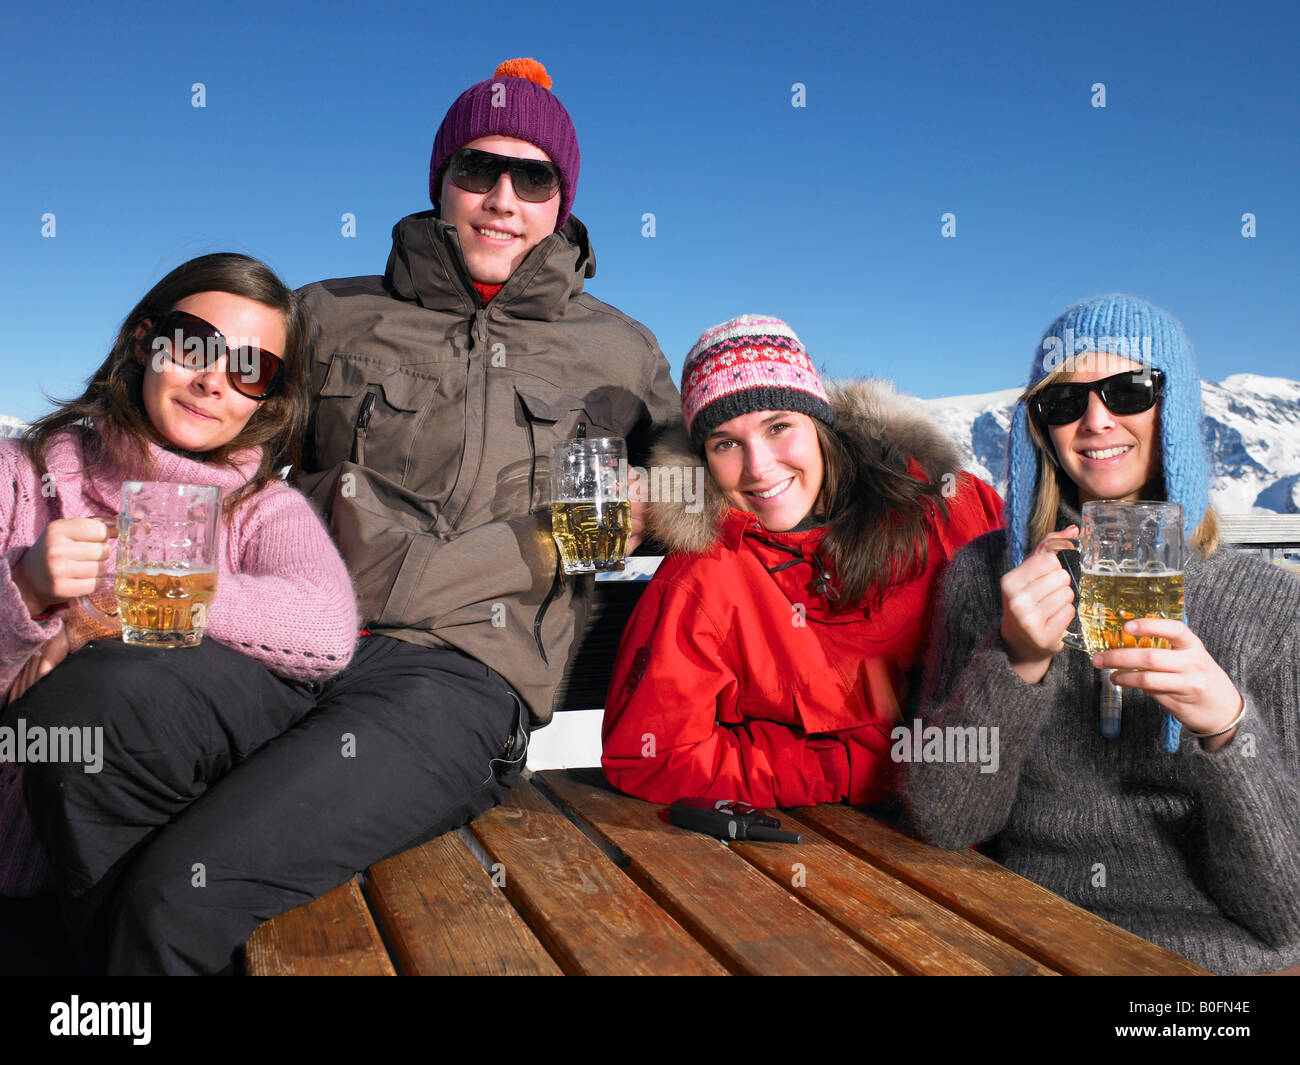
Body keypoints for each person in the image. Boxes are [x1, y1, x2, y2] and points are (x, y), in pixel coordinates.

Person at [18, 58, 677, 975]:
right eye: (476, 169)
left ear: (562, 201)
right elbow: (213, 443)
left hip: (458, 680)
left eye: (533, 178)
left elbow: (706, 485)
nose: (500, 198)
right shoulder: (328, 314)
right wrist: (97, 587)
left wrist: (660, 504)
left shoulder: (621, 346)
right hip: (291, 643)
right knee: (87, 716)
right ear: (440, 181)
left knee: (184, 888)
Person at [902, 294, 1300, 976]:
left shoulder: (1271, 606)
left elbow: (1285, 905)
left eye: (1127, 390)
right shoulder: (984, 574)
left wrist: (1230, 728)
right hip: (1024, 934)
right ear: (1040, 428)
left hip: (1213, 965)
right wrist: (1015, 662)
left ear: (1170, 407)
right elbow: (945, 821)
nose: (1094, 420)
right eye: (1065, 402)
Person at [1, 254, 357, 924]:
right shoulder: (22, 478)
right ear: (144, 341)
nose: (212, 380)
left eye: (250, 368)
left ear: (267, 398)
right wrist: (22, 590)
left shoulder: (260, 508)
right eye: (193, 344)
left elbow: (326, 629)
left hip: (144, 884)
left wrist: (132, 596)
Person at [601, 315, 1003, 807]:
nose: (758, 466)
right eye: (726, 443)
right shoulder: (707, 576)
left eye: (778, 426)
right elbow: (652, 754)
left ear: (820, 426)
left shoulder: (951, 507)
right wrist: (856, 767)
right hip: (849, 849)